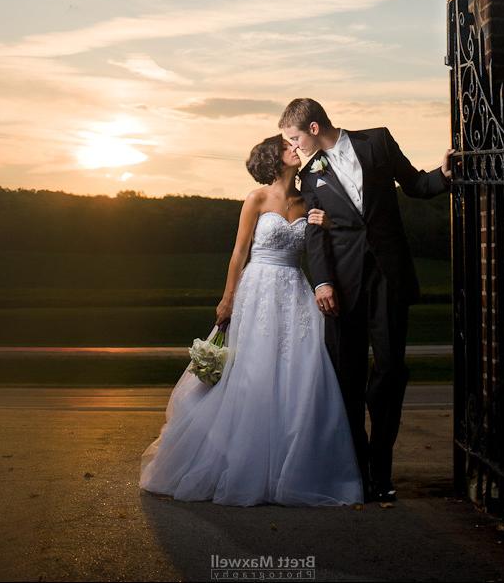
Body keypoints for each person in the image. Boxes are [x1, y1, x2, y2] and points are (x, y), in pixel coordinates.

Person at [139, 134, 364, 507]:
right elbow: (238, 253)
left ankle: (291, 470)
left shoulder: (310, 200)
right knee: (251, 373)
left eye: (296, 145)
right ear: (274, 158)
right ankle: (241, 463)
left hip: (294, 291)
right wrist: (228, 298)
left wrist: (326, 225)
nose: (296, 148)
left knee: (300, 373)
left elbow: (322, 248)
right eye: (288, 146)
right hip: (257, 290)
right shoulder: (256, 199)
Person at [279, 97, 453, 503]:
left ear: (315, 128)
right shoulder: (311, 177)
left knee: (391, 371)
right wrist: (321, 282)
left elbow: (415, 185)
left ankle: (381, 469)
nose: (294, 146)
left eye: (295, 137)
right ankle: (356, 471)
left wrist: (444, 174)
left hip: (388, 278)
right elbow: (315, 235)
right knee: (347, 378)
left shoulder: (377, 143)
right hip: (341, 287)